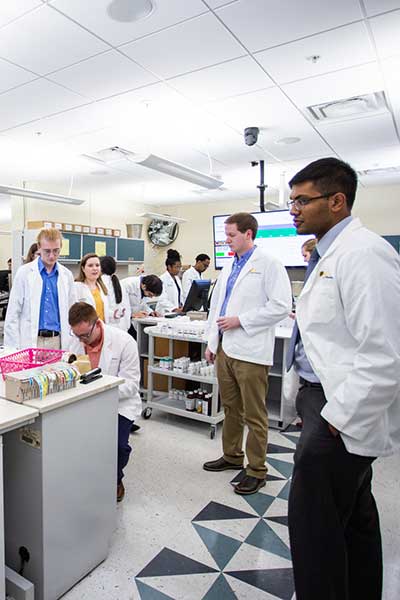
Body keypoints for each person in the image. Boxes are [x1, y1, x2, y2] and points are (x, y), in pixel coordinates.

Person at [286, 157, 400, 600]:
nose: (293, 208)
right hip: (323, 402)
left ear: (337, 201)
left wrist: (339, 419)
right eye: (291, 199)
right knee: (353, 520)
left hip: (339, 412)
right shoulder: (330, 252)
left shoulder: (364, 253)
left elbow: (385, 352)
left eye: (302, 199)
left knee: (315, 531)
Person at [203, 212, 292, 495]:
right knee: (230, 408)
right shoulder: (230, 266)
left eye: (231, 235)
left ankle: (256, 470)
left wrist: (240, 320)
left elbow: (280, 306)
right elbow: (217, 307)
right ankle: (231, 456)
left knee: (254, 414)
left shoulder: (269, 264)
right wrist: (210, 342)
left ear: (249, 234)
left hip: (251, 351)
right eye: (225, 235)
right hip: (226, 348)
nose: (226, 240)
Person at [68, 302, 141, 502]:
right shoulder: (76, 340)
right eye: (77, 336)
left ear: (96, 324)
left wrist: (99, 391)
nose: (82, 340)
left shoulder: (124, 342)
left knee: (118, 446)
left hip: (119, 403)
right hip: (83, 401)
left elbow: (132, 385)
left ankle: (116, 479)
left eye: (85, 335)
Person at [5, 227, 76, 349]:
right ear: (39, 247)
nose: (52, 256)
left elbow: (72, 310)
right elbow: (13, 314)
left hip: (58, 341)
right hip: (31, 340)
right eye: (47, 251)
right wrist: (12, 349)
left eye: (56, 251)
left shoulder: (66, 275)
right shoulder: (24, 273)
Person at [74, 253, 109, 323]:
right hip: (84, 330)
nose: (95, 268)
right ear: (83, 268)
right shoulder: (76, 287)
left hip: (102, 329)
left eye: (97, 265)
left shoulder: (102, 287)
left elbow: (103, 311)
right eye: (90, 265)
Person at [100, 256, 131, 331]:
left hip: (108, 327)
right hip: (121, 328)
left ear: (100, 268)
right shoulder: (119, 283)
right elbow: (127, 309)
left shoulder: (100, 283)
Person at [156, 249, 183, 315]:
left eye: (180, 267)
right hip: (165, 313)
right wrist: (174, 309)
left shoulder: (177, 279)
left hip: (176, 312)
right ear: (169, 267)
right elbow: (162, 299)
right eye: (177, 267)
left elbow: (180, 296)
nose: (179, 270)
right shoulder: (162, 279)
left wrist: (182, 306)